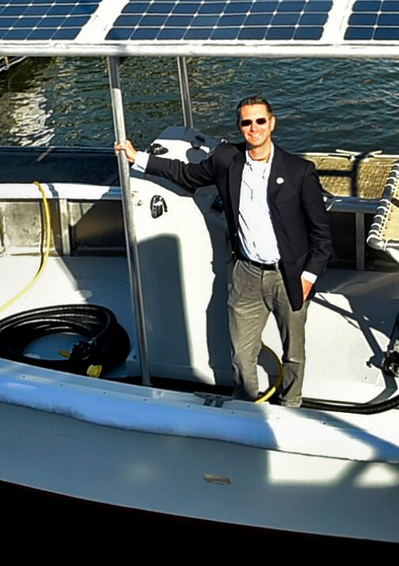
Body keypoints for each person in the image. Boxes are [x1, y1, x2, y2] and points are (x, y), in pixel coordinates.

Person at [115, 96, 331, 407]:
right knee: (242, 353)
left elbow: (321, 235)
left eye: (259, 121)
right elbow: (187, 174)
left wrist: (308, 277)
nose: (253, 128)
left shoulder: (300, 171)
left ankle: (291, 404)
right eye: (246, 122)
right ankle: (245, 406)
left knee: (294, 352)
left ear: (272, 123)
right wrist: (139, 158)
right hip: (245, 273)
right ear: (239, 127)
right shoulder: (226, 159)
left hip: (290, 276)